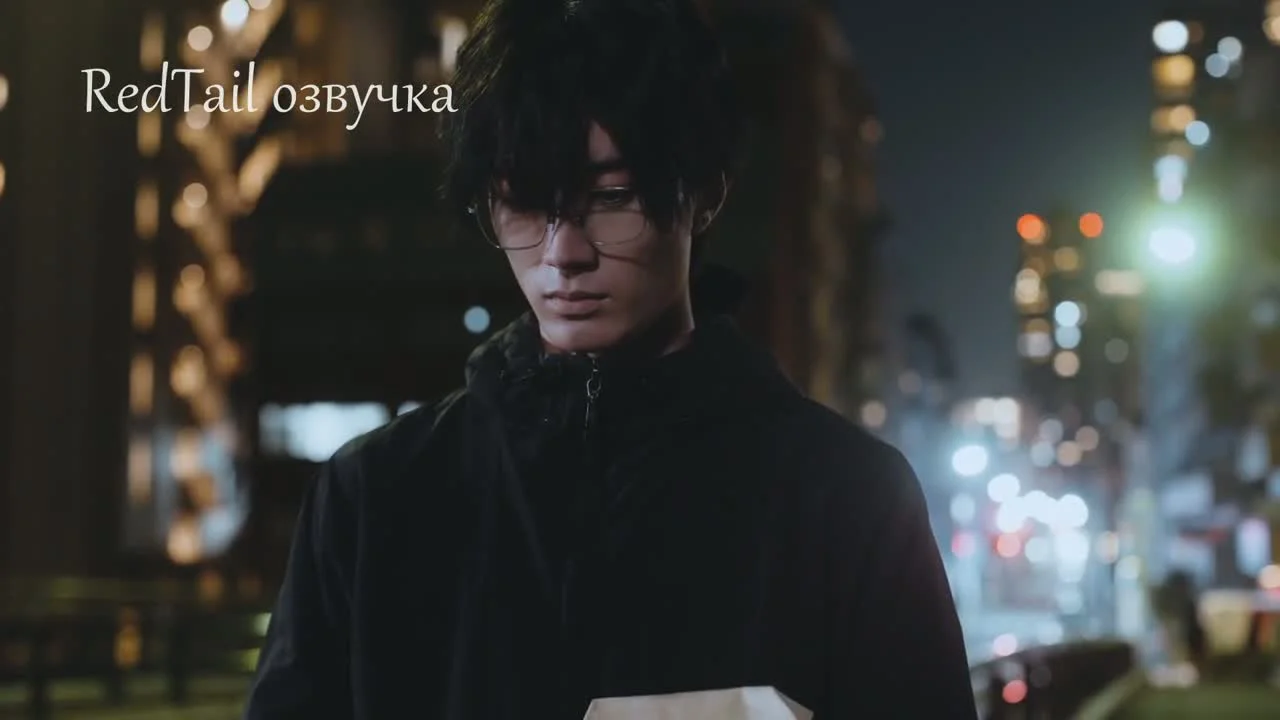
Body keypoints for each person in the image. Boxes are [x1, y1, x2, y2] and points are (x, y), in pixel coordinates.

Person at [244, 0, 976, 717]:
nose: (564, 252)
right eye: (524, 202)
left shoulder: (843, 500)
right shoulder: (374, 500)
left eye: (612, 197)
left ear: (704, 195)